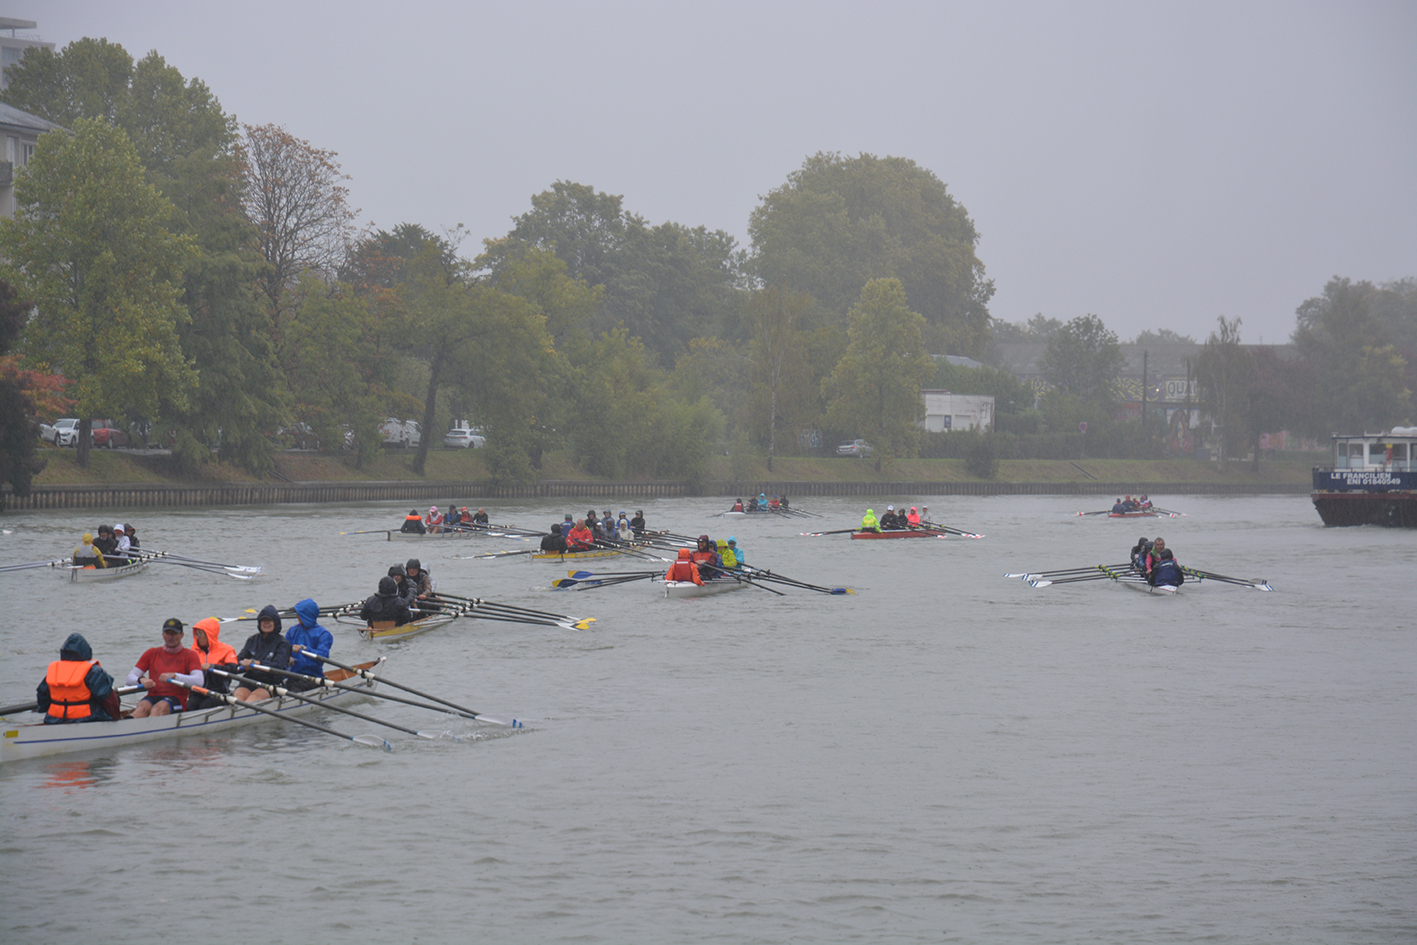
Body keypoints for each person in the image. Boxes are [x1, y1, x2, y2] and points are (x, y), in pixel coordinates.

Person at [126, 618, 204, 717]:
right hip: (153, 696)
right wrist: (141, 679)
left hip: (177, 699)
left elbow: (199, 681)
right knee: (141, 708)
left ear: (182, 635)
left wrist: (175, 676)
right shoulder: (151, 653)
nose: (170, 637)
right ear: (163, 635)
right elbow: (129, 679)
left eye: (174, 634)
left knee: (157, 709)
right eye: (167, 633)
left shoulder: (190, 655)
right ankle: (132, 723)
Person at [37, 632, 119, 723]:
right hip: (88, 720)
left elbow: (42, 700)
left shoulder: (54, 671)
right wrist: (116, 719)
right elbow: (111, 701)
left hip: (55, 720)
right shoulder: (93, 671)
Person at [232, 606, 294, 701]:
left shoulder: (283, 644)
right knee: (238, 697)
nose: (266, 623)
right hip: (250, 680)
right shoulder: (252, 640)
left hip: (271, 683)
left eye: (269, 620)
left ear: (275, 623)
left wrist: (257, 664)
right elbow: (239, 659)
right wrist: (240, 664)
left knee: (254, 697)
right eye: (263, 620)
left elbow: (278, 666)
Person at [187, 617, 238, 710]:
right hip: (198, 691)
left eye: (200, 633)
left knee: (205, 706)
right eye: (196, 634)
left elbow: (233, 670)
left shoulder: (227, 649)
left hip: (219, 692)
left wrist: (212, 666)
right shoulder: (193, 652)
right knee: (190, 706)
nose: (197, 637)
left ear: (209, 634)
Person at [285, 599, 333, 690]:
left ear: (307, 615)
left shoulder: (323, 634)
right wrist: (287, 658)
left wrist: (304, 649)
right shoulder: (292, 631)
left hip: (312, 677)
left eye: (299, 614)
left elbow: (323, 657)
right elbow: (283, 650)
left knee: (295, 689)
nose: (296, 616)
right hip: (292, 675)